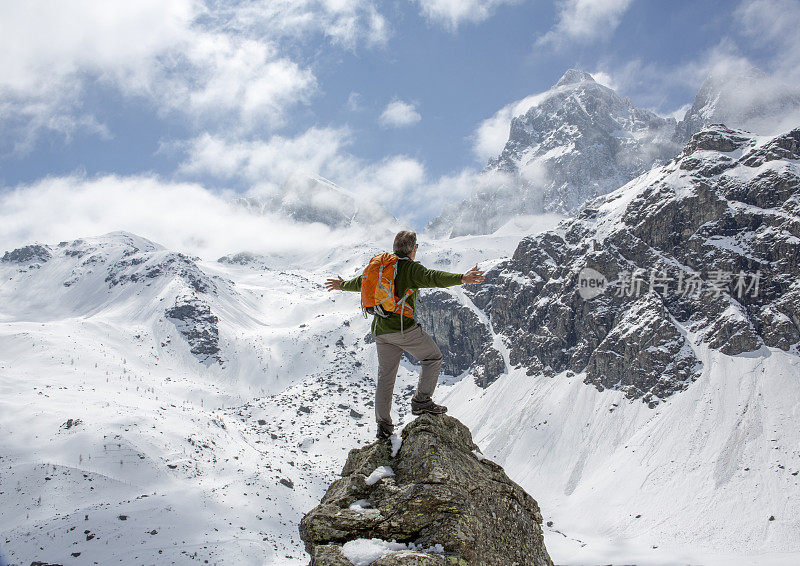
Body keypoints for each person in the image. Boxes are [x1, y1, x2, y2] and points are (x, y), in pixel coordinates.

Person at [325, 230, 485, 439]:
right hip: (403, 329)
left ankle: (383, 426)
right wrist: (462, 278)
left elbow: (362, 283)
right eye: (416, 247)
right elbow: (432, 278)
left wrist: (341, 285)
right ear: (413, 249)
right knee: (433, 357)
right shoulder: (409, 269)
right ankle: (421, 401)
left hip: (381, 331)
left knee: (385, 377)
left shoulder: (381, 266)